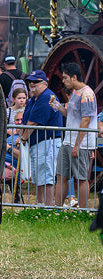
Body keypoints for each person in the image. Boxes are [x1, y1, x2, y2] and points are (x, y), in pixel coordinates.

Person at [50, 62, 96, 208]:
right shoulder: (75, 93)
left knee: (81, 178)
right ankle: (57, 209)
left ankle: (82, 211)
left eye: (65, 78)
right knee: (61, 176)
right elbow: (71, 114)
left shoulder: (87, 94)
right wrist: (57, 106)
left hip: (81, 144)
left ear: (74, 77)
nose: (63, 81)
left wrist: (77, 145)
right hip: (68, 141)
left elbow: (86, 120)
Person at [19, 70, 63, 205]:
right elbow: (28, 121)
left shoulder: (46, 97)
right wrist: (22, 137)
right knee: (39, 177)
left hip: (47, 142)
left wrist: (23, 138)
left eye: (36, 81)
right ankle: (40, 205)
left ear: (44, 83)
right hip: (38, 143)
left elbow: (33, 122)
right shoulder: (34, 98)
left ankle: (47, 207)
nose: (32, 84)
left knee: (47, 177)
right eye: (30, 81)